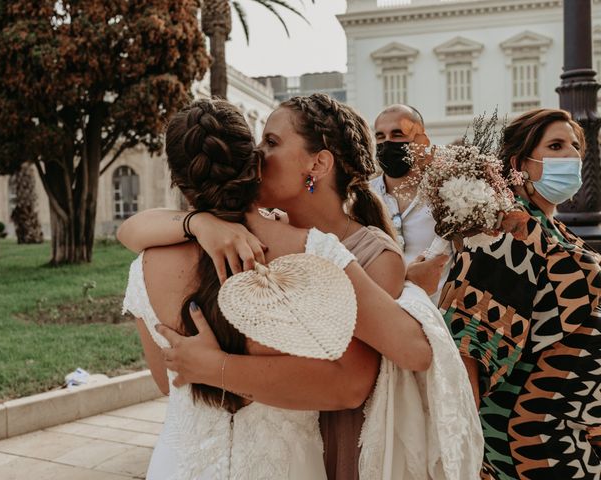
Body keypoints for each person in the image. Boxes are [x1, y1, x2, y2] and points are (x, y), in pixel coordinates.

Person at [119, 94, 482, 479]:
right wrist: (199, 223)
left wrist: (216, 368)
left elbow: (168, 381)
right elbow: (350, 378)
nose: (261, 155)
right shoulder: (307, 250)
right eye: (259, 144)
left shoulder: (146, 264)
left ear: (176, 176)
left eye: (271, 142)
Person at [439, 108, 601, 479]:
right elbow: (470, 347)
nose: (572, 156)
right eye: (556, 145)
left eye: (575, 146)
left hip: (571, 434)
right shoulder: (506, 234)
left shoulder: (554, 229)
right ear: (519, 164)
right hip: (535, 444)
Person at [370, 104, 451, 304]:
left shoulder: (448, 194)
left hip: (437, 318)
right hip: (383, 315)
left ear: (421, 141)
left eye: (397, 135)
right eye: (380, 136)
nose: (387, 143)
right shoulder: (361, 197)